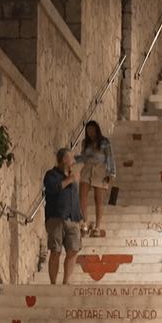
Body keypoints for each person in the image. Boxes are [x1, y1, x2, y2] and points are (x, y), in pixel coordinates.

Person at [43, 148, 82, 284]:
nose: (73, 162)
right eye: (71, 159)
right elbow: (51, 189)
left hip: (72, 218)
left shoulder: (72, 177)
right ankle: (53, 283)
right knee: (55, 251)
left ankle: (66, 281)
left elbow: (75, 198)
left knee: (73, 250)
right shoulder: (51, 175)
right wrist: (69, 180)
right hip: (56, 217)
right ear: (65, 160)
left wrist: (79, 218)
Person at [76, 120, 115, 237]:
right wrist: (73, 159)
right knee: (82, 194)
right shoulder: (85, 142)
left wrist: (111, 173)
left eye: (92, 130)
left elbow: (110, 157)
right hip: (88, 168)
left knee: (98, 198)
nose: (90, 132)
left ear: (96, 130)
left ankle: (97, 226)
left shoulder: (104, 142)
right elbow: (84, 157)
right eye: (88, 130)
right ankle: (85, 222)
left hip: (100, 169)